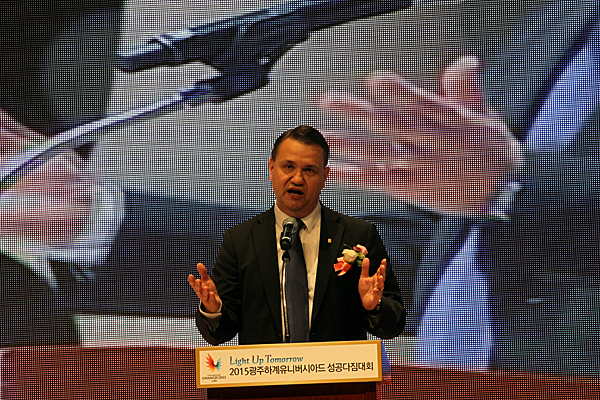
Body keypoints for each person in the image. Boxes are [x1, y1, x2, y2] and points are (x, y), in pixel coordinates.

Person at [318, 0, 600, 374]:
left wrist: (516, 186)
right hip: (445, 379)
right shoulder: (568, 14)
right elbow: (450, 234)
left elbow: (503, 191)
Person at [188, 125, 406, 345]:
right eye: (288, 167)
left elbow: (394, 324)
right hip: (266, 367)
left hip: (337, 367)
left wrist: (374, 307)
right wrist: (213, 310)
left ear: (324, 177)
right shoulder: (240, 240)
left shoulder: (358, 234)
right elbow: (219, 333)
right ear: (272, 168)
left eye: (309, 170)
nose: (297, 179)